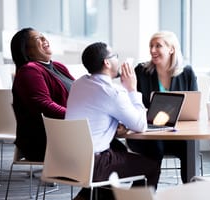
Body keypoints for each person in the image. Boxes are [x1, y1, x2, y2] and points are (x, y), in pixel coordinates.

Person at [65, 42, 160, 200]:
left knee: (118, 151)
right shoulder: (113, 92)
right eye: (115, 56)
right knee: (151, 166)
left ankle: (85, 196)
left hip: (67, 161)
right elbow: (141, 125)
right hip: (93, 165)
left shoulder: (78, 84)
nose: (118, 60)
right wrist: (132, 90)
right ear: (107, 62)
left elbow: (96, 115)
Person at [126, 31, 198, 183]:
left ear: (171, 49)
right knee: (154, 147)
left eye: (158, 46)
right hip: (147, 134)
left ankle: (191, 192)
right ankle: (144, 195)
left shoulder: (187, 73)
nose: (152, 50)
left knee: (189, 147)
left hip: (177, 134)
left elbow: (194, 107)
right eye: (151, 46)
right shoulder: (141, 71)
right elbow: (132, 104)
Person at [11, 27, 75, 161]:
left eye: (43, 36)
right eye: (37, 39)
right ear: (27, 50)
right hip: (46, 141)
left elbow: (81, 93)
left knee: (113, 147)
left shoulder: (58, 66)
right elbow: (45, 105)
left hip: (69, 132)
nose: (44, 39)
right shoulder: (29, 71)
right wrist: (79, 116)